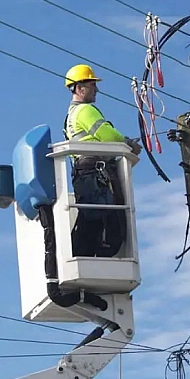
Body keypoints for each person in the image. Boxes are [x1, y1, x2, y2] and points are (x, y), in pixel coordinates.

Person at [62, 64, 142, 258]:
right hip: (95, 174)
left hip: (85, 175)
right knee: (106, 220)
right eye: (92, 85)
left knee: (93, 221)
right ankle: (92, 257)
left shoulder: (70, 116)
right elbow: (107, 135)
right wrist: (129, 143)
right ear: (80, 88)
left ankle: (84, 257)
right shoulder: (85, 110)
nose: (96, 89)